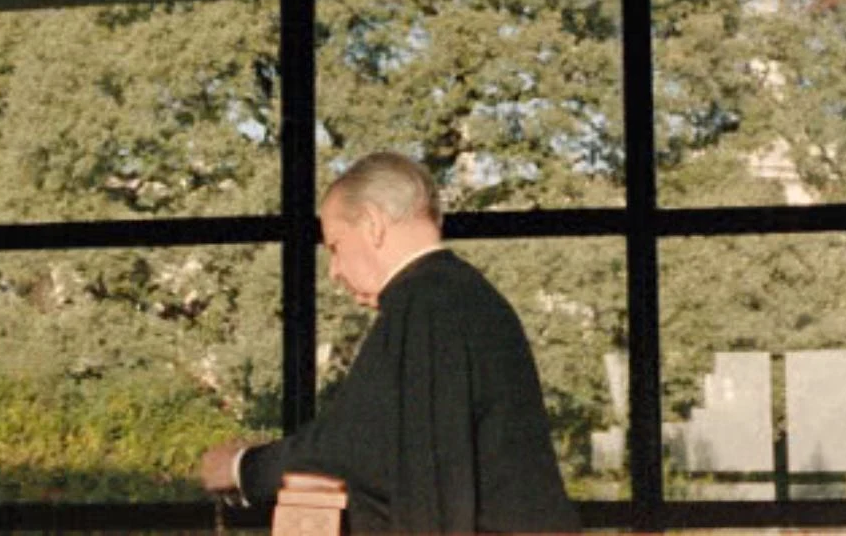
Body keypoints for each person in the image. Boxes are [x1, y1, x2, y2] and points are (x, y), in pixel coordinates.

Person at [200, 152, 579, 534]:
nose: (334, 272)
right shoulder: (462, 296)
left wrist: (240, 467)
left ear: (371, 224)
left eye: (334, 247)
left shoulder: (425, 306)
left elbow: (357, 447)